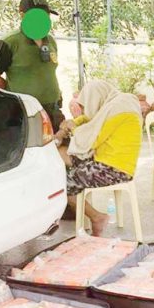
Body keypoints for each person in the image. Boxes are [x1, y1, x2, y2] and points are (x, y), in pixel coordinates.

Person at [55, 80, 142, 236]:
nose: (85, 109)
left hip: (114, 169)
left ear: (95, 98)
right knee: (61, 153)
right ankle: (88, 215)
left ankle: (97, 217)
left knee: (62, 183)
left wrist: (72, 129)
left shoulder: (119, 110)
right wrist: (72, 123)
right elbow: (90, 118)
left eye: (86, 104)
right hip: (104, 161)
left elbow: (92, 140)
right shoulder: (114, 104)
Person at [0, 0, 65, 132]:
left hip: (53, 109)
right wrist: (13, 91)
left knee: (57, 147)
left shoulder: (50, 41)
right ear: (22, 15)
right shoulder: (8, 42)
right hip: (25, 112)